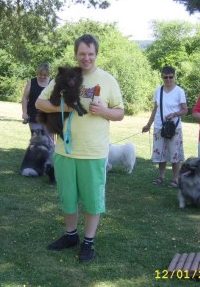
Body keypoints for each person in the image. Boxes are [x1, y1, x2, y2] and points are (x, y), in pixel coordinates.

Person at [35, 34, 124, 262]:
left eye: (90, 54)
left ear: (96, 54)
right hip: (65, 150)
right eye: (82, 54)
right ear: (76, 54)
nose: (86, 58)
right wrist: (64, 106)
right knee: (68, 198)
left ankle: (89, 242)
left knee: (92, 200)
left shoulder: (107, 80)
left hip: (93, 152)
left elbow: (120, 112)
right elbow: (40, 103)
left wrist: (104, 111)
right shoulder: (66, 77)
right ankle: (71, 235)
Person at [142, 66, 187, 188]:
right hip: (159, 126)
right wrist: (148, 124)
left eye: (170, 77)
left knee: (174, 154)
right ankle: (161, 177)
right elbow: (155, 109)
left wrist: (175, 114)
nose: (168, 79)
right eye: (165, 77)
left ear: (174, 76)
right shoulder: (158, 91)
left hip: (174, 127)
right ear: (162, 77)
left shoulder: (179, 91)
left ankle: (175, 179)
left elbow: (185, 110)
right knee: (160, 154)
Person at [21, 63, 53, 145]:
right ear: (37, 73)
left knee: (50, 142)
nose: (42, 77)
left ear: (48, 74)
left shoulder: (52, 83)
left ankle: (49, 158)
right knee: (36, 141)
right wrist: (24, 113)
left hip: (48, 118)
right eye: (40, 74)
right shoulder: (31, 82)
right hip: (33, 116)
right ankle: (35, 157)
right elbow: (25, 98)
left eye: (45, 75)